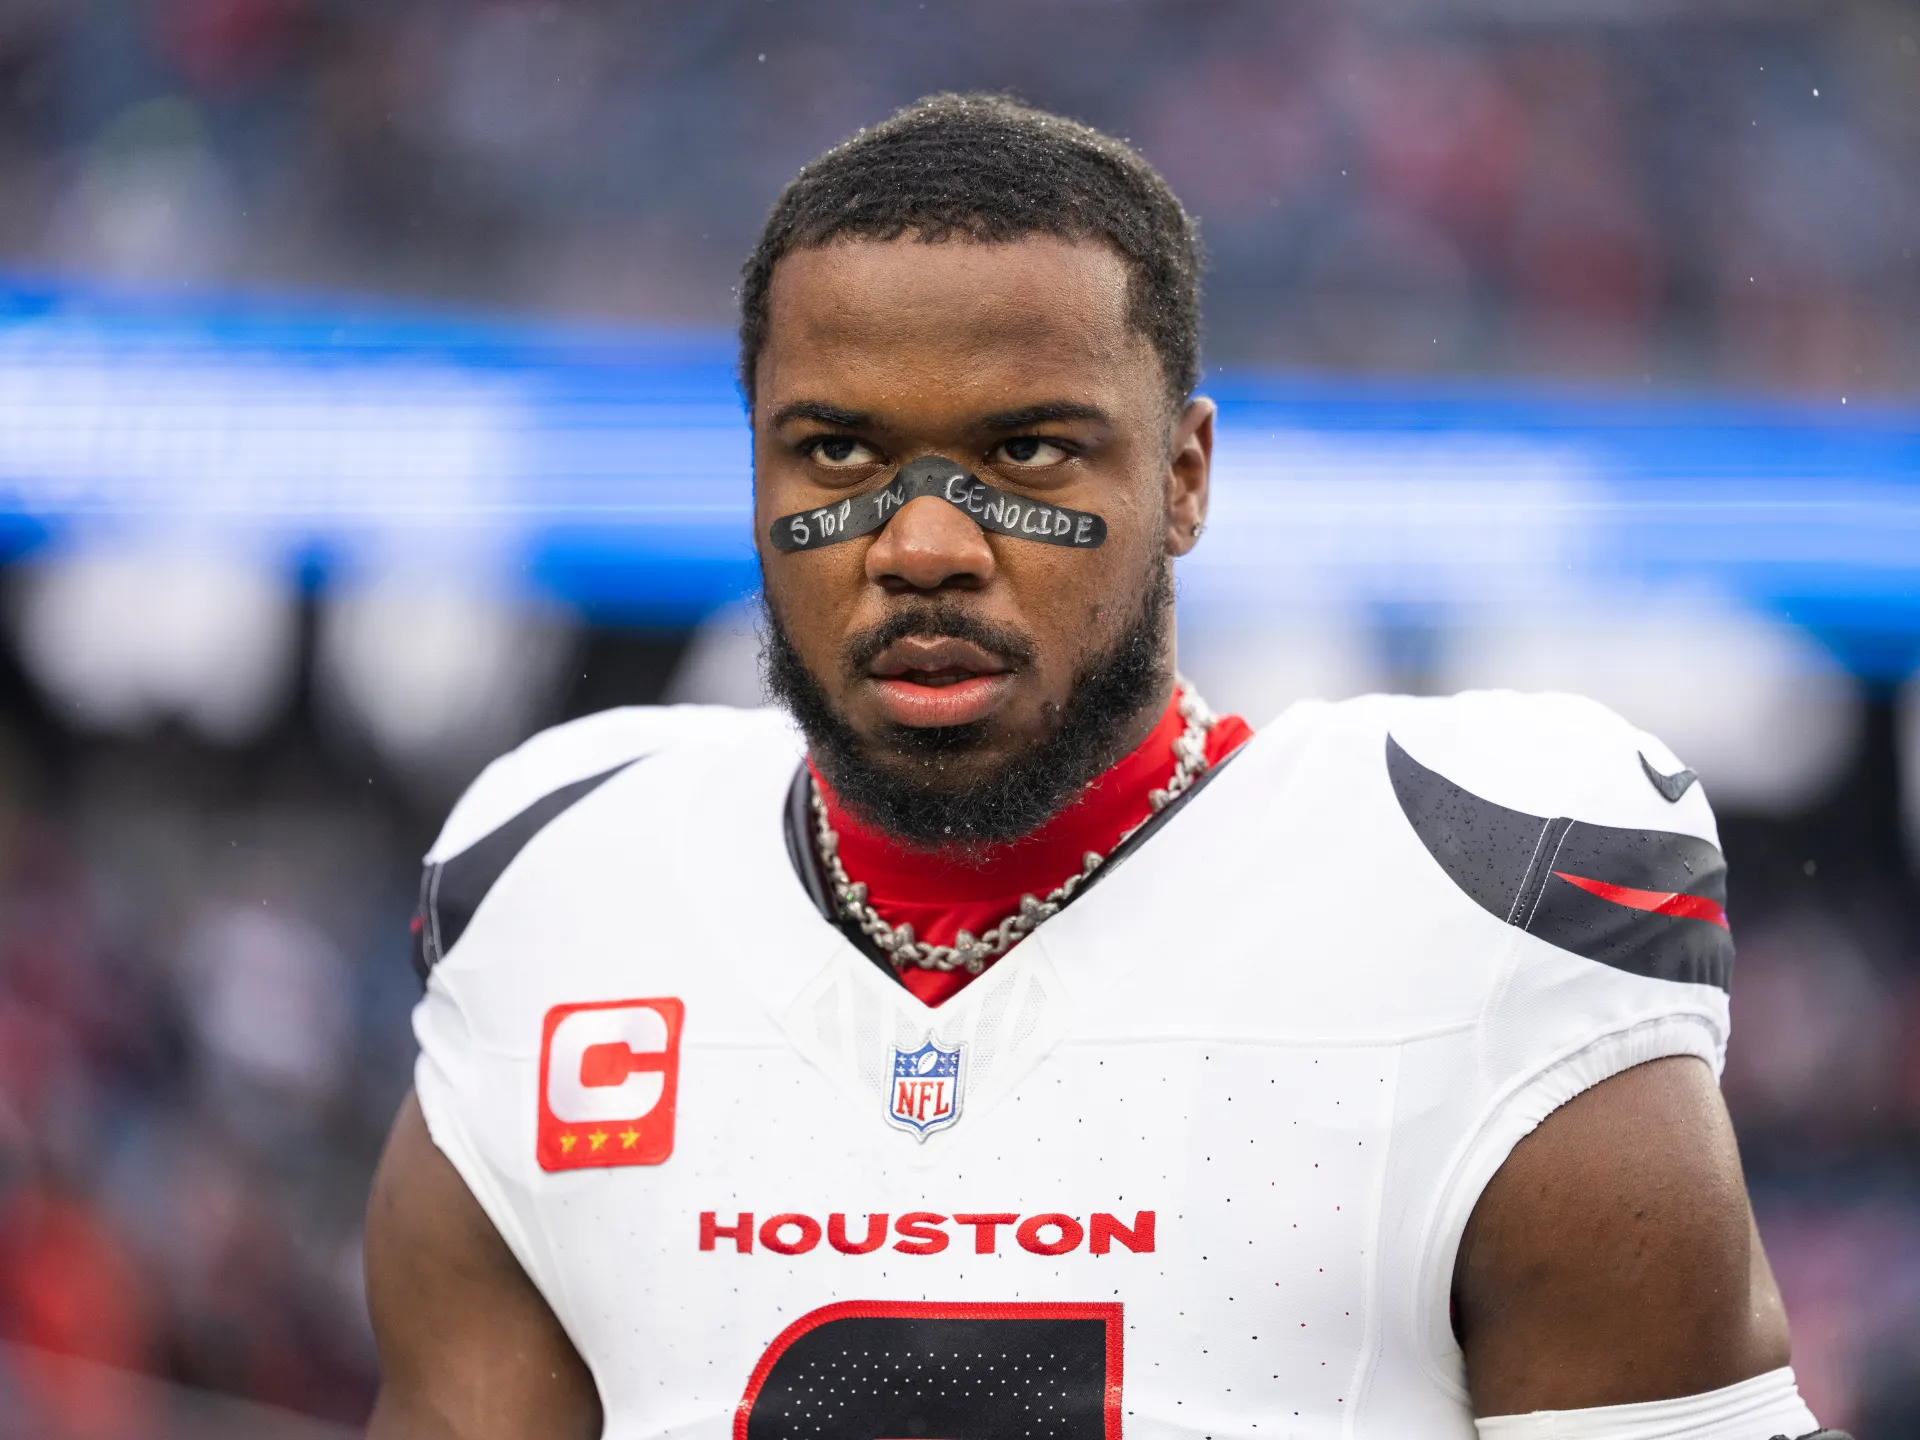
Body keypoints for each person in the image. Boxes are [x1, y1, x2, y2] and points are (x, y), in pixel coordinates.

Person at [364, 94, 1840, 1440]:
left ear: (1184, 478)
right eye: (838, 455)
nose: (923, 545)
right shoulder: (560, 887)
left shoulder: (1469, 878)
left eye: (1026, 454)